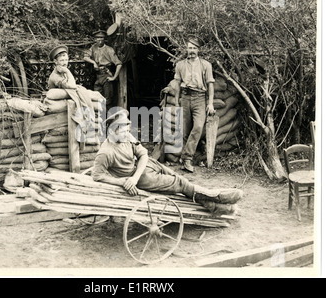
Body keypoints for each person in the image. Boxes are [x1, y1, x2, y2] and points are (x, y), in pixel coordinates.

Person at [91, 109, 243, 216]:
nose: (127, 135)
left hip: (143, 168)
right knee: (180, 183)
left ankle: (212, 206)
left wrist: (135, 177)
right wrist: (122, 181)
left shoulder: (127, 137)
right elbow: (97, 176)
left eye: (127, 130)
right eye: (123, 132)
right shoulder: (106, 152)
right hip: (143, 179)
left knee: (178, 178)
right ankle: (216, 197)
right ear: (112, 131)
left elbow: (143, 153)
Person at [164, 36, 215, 173]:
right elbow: (176, 84)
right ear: (186, 49)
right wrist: (175, 101)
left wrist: (210, 104)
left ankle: (187, 158)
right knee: (185, 130)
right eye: (189, 48)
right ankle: (184, 161)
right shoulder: (180, 65)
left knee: (198, 126)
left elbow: (210, 85)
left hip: (199, 98)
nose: (191, 51)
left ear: (198, 50)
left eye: (194, 48)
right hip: (185, 97)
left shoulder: (206, 65)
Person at [83, 30, 122, 110]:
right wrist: (93, 62)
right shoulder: (93, 47)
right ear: (94, 39)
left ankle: (109, 120)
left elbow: (119, 64)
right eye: (97, 38)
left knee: (108, 100)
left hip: (106, 75)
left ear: (104, 39)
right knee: (97, 98)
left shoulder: (109, 49)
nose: (99, 40)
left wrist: (114, 77)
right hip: (98, 76)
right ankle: (100, 120)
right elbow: (85, 57)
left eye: (102, 38)